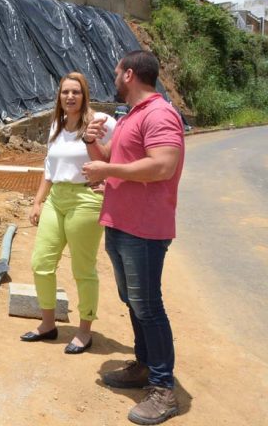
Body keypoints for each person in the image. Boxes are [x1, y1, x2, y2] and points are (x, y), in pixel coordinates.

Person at [82, 50, 184, 425]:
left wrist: (108, 169)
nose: (114, 79)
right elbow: (111, 160)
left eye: (116, 73)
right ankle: (144, 365)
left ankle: (163, 389)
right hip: (121, 224)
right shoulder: (131, 117)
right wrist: (91, 142)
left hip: (144, 229)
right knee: (133, 301)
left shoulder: (159, 114)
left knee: (148, 305)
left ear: (128, 75)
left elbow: (163, 165)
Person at [20, 72, 116, 354]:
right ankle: (48, 324)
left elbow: (121, 151)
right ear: (59, 96)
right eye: (65, 92)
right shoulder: (57, 125)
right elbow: (49, 169)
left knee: (82, 268)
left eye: (76, 92)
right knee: (41, 262)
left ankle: (84, 330)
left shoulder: (102, 121)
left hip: (85, 198)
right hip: (56, 198)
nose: (70, 97)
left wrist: (112, 181)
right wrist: (38, 201)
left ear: (85, 95)